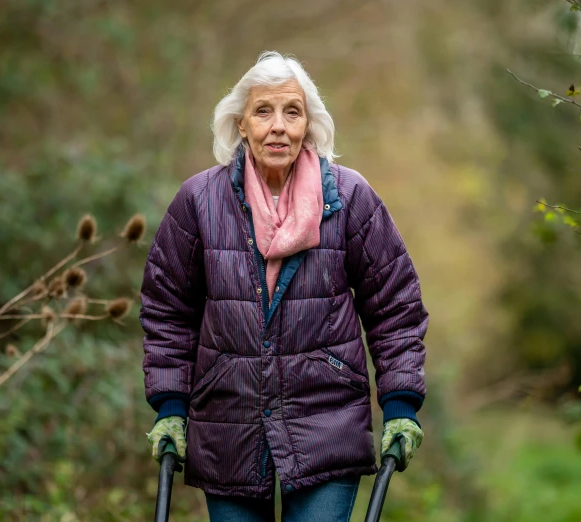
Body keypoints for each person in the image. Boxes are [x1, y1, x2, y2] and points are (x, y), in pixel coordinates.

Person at [140, 51, 429, 522]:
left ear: (308, 125)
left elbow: (395, 306)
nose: (278, 126)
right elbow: (168, 310)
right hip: (227, 423)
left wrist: (400, 402)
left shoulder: (350, 198)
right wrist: (170, 403)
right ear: (240, 125)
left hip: (328, 419)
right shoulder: (198, 201)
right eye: (263, 111)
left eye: (292, 112)